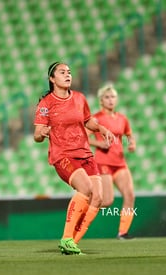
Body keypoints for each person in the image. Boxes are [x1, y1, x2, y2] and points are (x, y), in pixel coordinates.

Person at [33, 62, 115, 255]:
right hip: (63, 155)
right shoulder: (46, 104)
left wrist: (102, 129)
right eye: (62, 72)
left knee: (98, 197)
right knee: (85, 189)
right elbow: (37, 135)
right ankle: (67, 238)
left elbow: (88, 121)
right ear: (52, 79)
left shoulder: (79, 98)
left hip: (85, 154)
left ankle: (72, 244)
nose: (67, 75)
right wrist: (41, 133)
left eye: (69, 72)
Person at [87, 83, 137, 239]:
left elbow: (129, 134)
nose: (110, 100)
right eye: (106, 97)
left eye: (113, 97)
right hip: (103, 162)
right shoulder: (96, 119)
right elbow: (84, 137)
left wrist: (132, 143)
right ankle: (81, 213)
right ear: (101, 101)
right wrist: (99, 143)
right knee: (107, 201)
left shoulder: (122, 118)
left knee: (129, 195)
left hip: (120, 163)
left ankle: (123, 232)